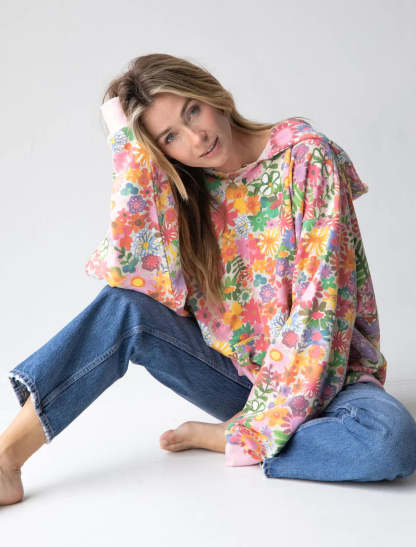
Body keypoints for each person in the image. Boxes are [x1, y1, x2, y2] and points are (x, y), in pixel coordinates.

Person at [1, 53, 416, 506]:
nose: (196, 138)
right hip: (241, 381)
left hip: (330, 380)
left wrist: (259, 427)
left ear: (213, 95)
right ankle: (6, 460)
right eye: (170, 137)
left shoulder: (306, 157)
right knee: (125, 306)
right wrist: (128, 147)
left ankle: (231, 437)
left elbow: (323, 307)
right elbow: (131, 272)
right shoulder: (186, 193)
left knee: (387, 442)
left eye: (192, 111)